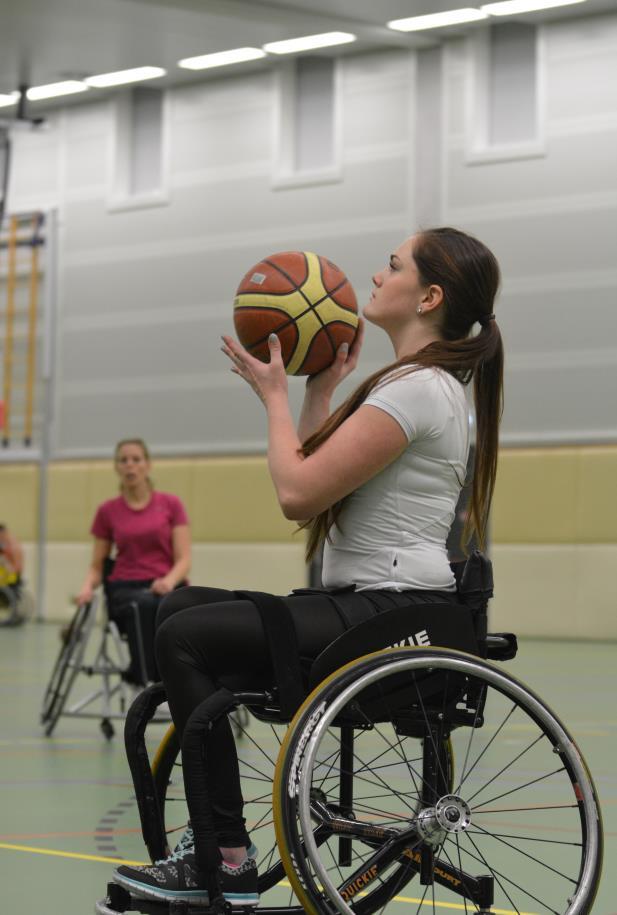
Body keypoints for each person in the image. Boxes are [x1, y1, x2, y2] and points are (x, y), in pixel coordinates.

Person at [114, 227, 504, 906]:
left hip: (385, 613)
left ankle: (225, 855)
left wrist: (271, 397)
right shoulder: (420, 385)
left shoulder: (417, 388)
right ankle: (221, 847)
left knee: (181, 636)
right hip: (375, 605)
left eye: (392, 266)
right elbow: (319, 483)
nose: (375, 277)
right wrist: (320, 390)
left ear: (430, 295)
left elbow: (296, 492)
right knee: (177, 610)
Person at [76, 438, 191, 685]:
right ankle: (150, 680)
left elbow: (184, 559)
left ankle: (189, 677)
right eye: (123, 460)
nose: (130, 465)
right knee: (144, 605)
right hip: (125, 588)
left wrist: (169, 581)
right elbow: (97, 564)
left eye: (136, 459)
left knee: (184, 606)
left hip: (166, 584)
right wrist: (87, 587)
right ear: (117, 467)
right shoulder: (107, 511)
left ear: (147, 465)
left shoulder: (171, 505)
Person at [0, 523, 24, 597]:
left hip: (12, 573)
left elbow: (15, 565)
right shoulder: (6, 542)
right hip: (11, 571)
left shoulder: (11, 545)